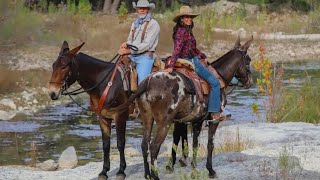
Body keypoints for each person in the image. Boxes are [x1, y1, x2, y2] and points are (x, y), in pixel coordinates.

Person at [165, 6, 223, 121]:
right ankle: (214, 112)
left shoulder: (187, 31)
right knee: (215, 83)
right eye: (186, 17)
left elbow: (193, 49)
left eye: (190, 17)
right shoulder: (182, 32)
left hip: (191, 58)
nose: (189, 19)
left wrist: (203, 56)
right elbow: (177, 49)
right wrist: (171, 66)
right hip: (189, 61)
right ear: (181, 19)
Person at [118, 0, 160, 84]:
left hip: (145, 56)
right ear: (137, 9)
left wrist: (130, 50)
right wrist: (125, 45)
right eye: (140, 8)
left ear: (148, 9)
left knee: (141, 83)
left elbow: (147, 45)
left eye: (144, 8)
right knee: (117, 71)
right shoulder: (135, 23)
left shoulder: (154, 24)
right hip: (132, 55)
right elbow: (130, 39)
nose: (142, 10)